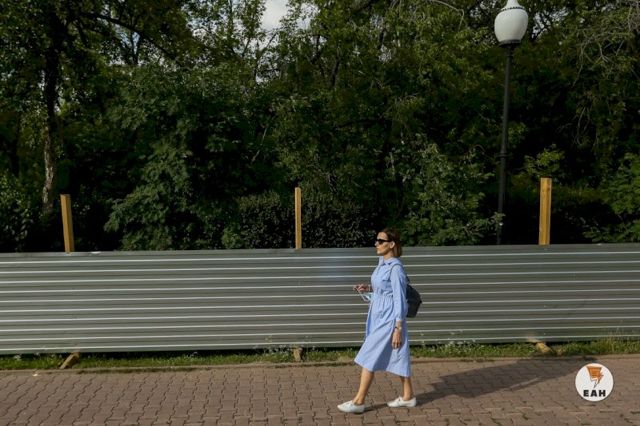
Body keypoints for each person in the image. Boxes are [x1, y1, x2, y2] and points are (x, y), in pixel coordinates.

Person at [337, 228, 415, 414]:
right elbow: (385, 290)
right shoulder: (382, 263)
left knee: (369, 354)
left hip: (389, 319)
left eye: (380, 241)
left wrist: (398, 328)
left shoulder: (396, 268)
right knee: (398, 354)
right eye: (376, 240)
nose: (376, 244)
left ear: (391, 244)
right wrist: (369, 289)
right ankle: (408, 396)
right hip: (378, 314)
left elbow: (399, 299)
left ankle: (359, 401)